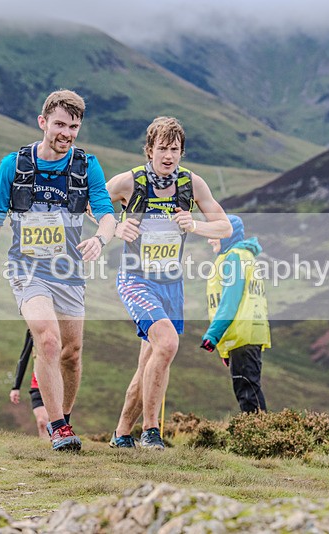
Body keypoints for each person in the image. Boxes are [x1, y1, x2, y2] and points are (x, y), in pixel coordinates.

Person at [0, 89, 116, 451]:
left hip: (69, 272)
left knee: (71, 352)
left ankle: (63, 419)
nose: (66, 133)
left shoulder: (87, 166)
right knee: (48, 339)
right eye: (59, 124)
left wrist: (100, 238)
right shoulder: (15, 165)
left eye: (73, 126)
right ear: (43, 122)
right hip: (27, 268)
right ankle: (58, 428)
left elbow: (105, 212)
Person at [105, 117, 231, 449]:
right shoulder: (130, 181)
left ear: (181, 152)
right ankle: (150, 432)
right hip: (136, 278)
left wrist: (195, 226)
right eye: (162, 149)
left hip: (171, 284)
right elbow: (93, 205)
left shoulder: (193, 184)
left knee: (151, 358)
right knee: (168, 343)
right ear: (149, 150)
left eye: (174, 150)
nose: (168, 156)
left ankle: (120, 434)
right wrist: (117, 227)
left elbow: (225, 227)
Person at [200, 215, 271, 413]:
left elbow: (230, 301)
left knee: (247, 391)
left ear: (226, 234)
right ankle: (262, 436)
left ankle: (259, 438)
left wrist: (213, 335)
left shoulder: (233, 258)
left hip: (241, 333)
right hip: (248, 333)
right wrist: (225, 349)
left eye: (214, 233)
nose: (210, 239)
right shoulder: (244, 256)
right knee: (249, 388)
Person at [9, 329, 50, 439]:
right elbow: (24, 358)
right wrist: (16, 387)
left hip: (58, 386)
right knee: (42, 422)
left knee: (56, 423)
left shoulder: (62, 327)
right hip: (37, 384)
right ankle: (46, 451)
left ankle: (59, 448)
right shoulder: (33, 330)